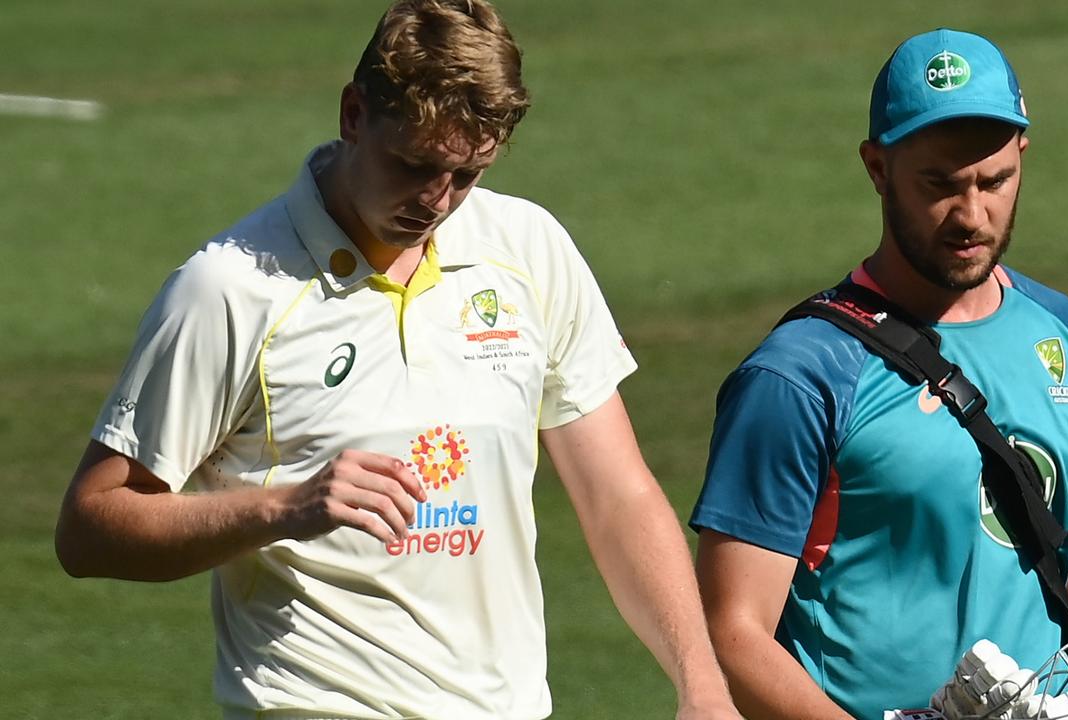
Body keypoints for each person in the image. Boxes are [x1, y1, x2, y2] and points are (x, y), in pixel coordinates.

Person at [54, 2, 740, 718]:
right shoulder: (229, 290)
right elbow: (92, 525)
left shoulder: (528, 250)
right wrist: (283, 508)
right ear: (354, 114)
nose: (436, 200)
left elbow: (618, 494)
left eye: (467, 174)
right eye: (415, 164)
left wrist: (701, 684)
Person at [689, 28, 1068, 720]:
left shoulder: (1067, 337)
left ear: (1022, 157)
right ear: (878, 169)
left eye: (993, 181)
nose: (972, 215)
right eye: (938, 185)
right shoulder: (799, 377)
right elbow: (732, 634)